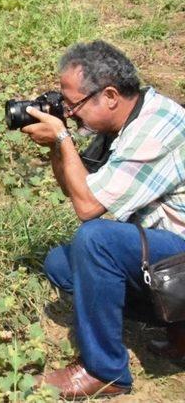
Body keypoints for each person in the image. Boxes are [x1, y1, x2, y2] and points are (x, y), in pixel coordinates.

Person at [21, 40, 185, 400]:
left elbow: (87, 207)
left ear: (109, 95)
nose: (69, 111)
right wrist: (56, 145)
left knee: (95, 239)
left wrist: (63, 137)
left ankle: (104, 371)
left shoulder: (155, 129)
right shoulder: (124, 123)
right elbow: (74, 189)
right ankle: (178, 325)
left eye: (73, 104)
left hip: (180, 259)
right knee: (63, 264)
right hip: (168, 257)